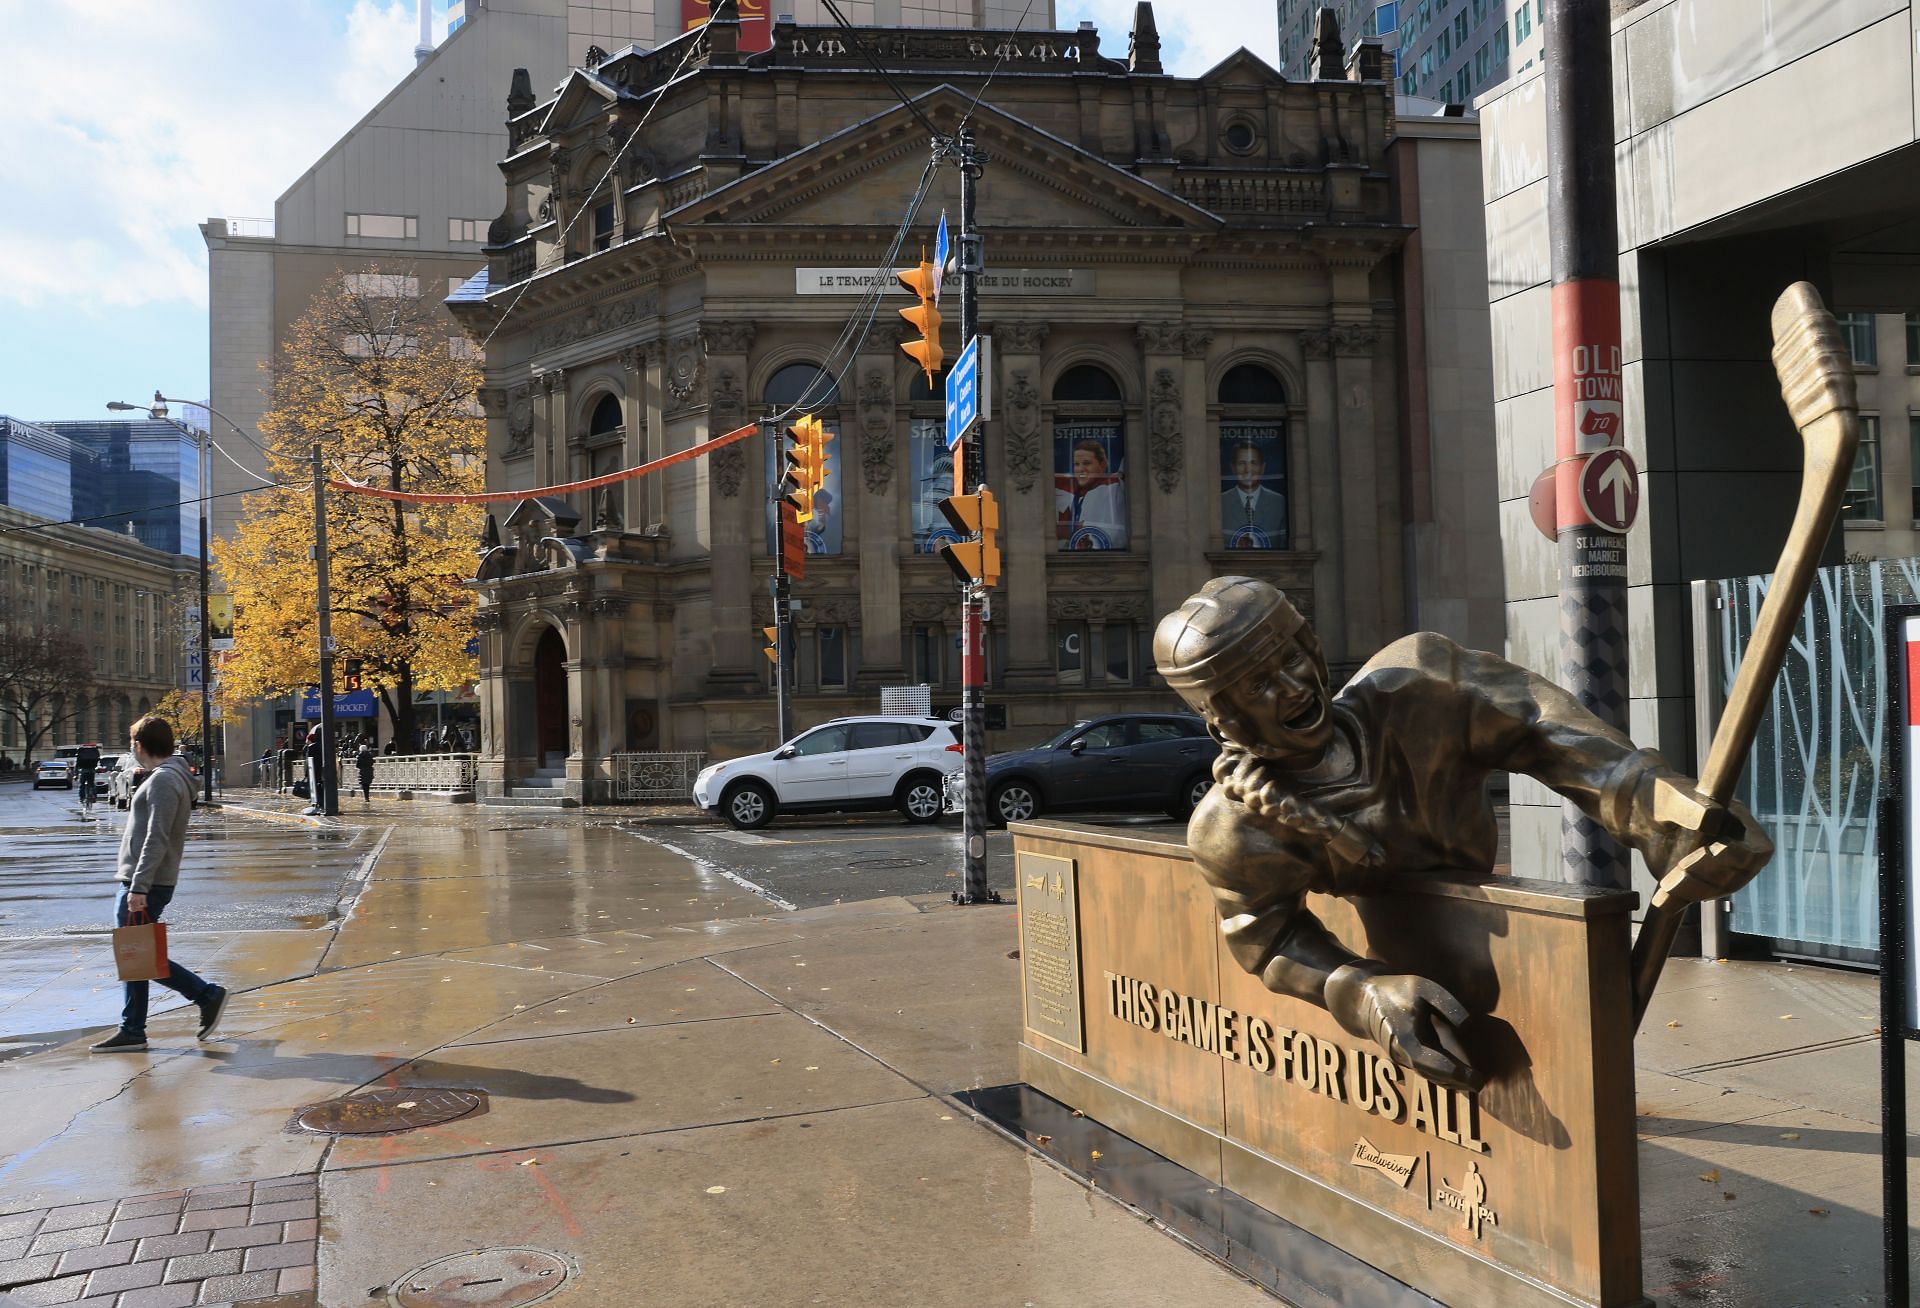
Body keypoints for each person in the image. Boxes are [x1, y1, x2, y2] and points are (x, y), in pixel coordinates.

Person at [1153, 576, 1772, 1092]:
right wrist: (1361, 993)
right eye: (1259, 685)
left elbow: (1545, 729)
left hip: (1494, 939)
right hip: (1414, 971)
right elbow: (1267, 941)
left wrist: (1663, 816)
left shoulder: (1420, 684)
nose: (1292, 687)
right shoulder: (1232, 829)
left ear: (1313, 648)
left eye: (1291, 659)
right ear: (1223, 719)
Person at [91, 715, 227, 1053]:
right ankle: (133, 1027)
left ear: (140, 744)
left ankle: (205, 995)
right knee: (136, 953)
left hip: (144, 882)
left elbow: (156, 838)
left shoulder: (165, 780)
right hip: (145, 880)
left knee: (140, 953)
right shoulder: (171, 776)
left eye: (132, 743)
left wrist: (138, 886)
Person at [1055, 439, 1127, 549]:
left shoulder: (1116, 484)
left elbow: (1134, 460)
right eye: (1077, 464)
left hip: (1114, 559)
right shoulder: (1075, 496)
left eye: (1087, 463)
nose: (1081, 469)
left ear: (1103, 464)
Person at [1220, 442, 1288, 548]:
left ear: (1263, 467)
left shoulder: (1278, 502)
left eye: (1253, 463)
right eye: (1241, 463)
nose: (1248, 470)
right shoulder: (1221, 501)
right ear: (1232, 468)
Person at [355, 738, 375, 803]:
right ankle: (367, 797)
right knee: (367, 785)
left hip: (362, 772)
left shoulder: (359, 756)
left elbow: (357, 765)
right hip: (369, 771)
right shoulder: (370, 755)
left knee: (364, 785)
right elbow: (372, 762)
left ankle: (366, 797)